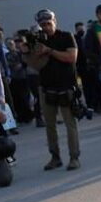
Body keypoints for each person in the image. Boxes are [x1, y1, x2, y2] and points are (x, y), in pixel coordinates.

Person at [23, 9, 81, 171]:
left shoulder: (66, 36)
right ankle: (55, 157)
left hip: (66, 86)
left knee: (70, 124)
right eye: (43, 25)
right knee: (50, 125)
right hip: (47, 87)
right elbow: (34, 65)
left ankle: (74, 157)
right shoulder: (38, 40)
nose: (46, 27)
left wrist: (49, 51)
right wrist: (27, 51)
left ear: (55, 22)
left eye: (48, 23)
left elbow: (71, 58)